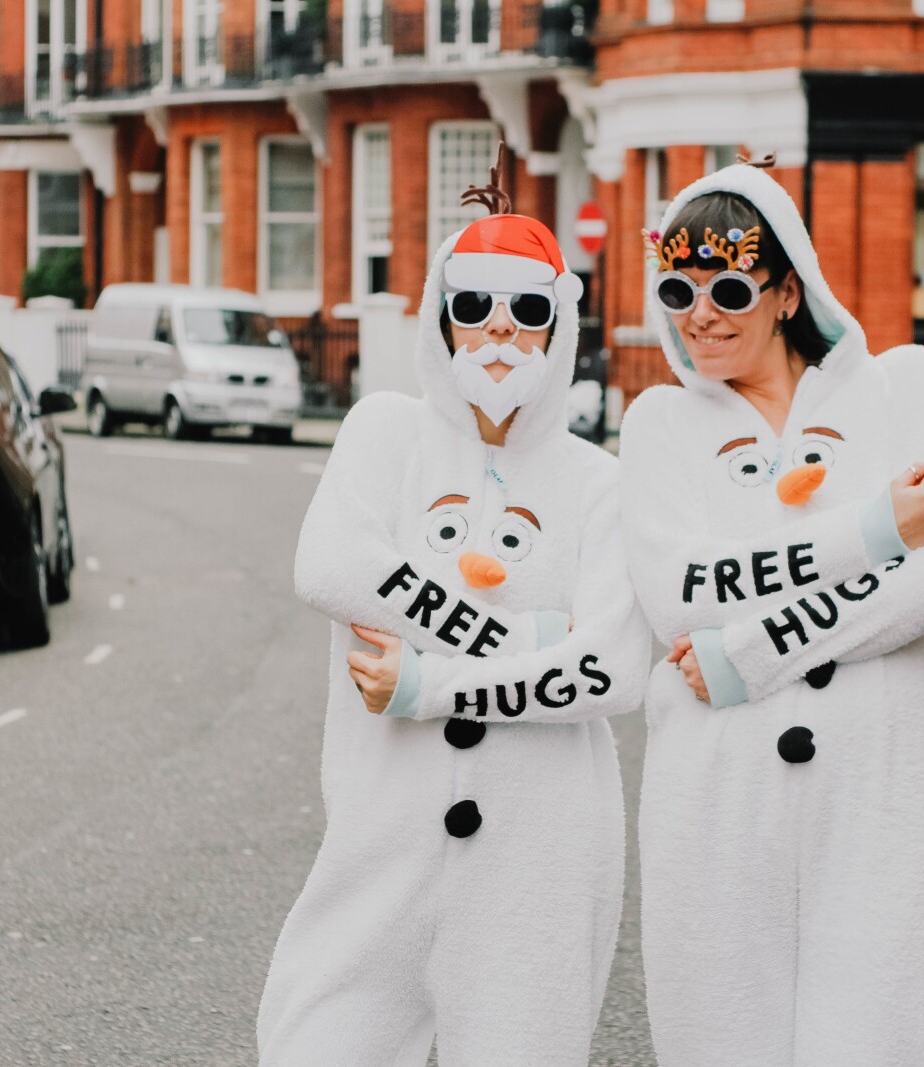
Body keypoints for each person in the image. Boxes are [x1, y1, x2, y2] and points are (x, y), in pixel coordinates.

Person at [257, 165, 649, 1067]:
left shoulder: (599, 481)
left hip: (541, 855)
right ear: (441, 315)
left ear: (561, 322)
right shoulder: (385, 432)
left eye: (526, 309)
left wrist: (430, 681)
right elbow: (335, 565)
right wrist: (535, 640)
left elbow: (614, 668)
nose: (500, 329)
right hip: (381, 835)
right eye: (472, 304)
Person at [619, 160, 924, 1067]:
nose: (698, 314)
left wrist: (751, 651)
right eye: (678, 287)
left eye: (729, 287)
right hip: (716, 803)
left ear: (788, 291)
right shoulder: (659, 422)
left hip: (878, 800)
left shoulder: (905, 386)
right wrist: (875, 530)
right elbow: (678, 593)